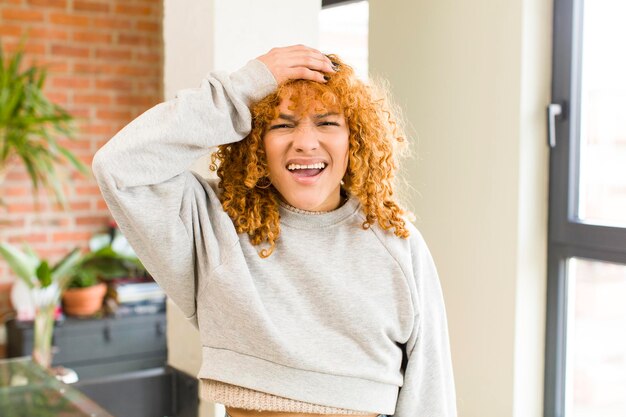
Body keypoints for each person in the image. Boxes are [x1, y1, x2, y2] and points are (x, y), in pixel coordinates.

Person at [92, 44, 457, 417]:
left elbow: (430, 390)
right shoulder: (216, 224)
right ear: (255, 143)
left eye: (327, 122)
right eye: (282, 125)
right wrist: (243, 88)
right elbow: (119, 165)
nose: (305, 142)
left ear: (355, 140)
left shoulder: (396, 243)